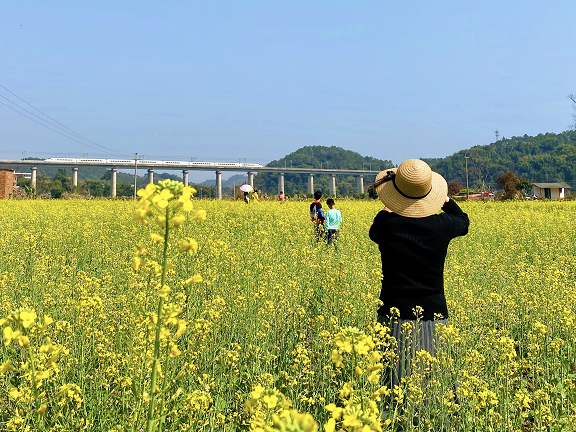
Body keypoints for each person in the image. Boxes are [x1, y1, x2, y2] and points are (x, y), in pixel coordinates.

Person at [368, 159, 469, 411]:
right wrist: (444, 200)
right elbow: (463, 221)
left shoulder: (386, 226)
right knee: (433, 382)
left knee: (394, 381)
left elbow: (378, 223)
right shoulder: (443, 225)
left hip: (393, 314)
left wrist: (393, 203)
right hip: (434, 314)